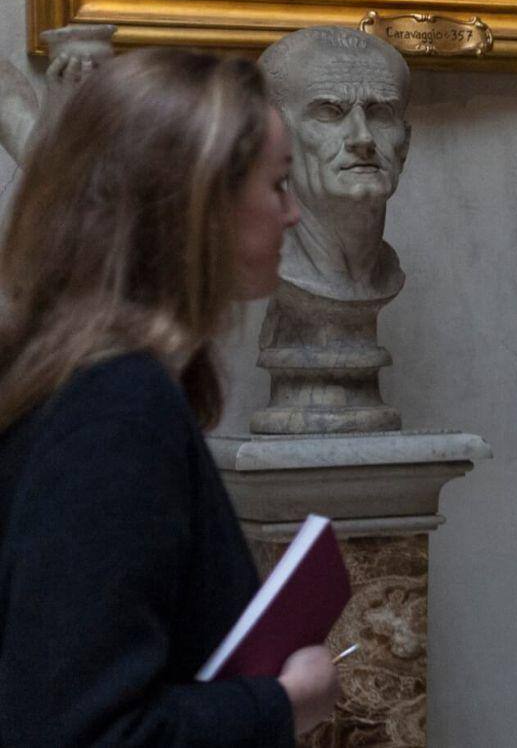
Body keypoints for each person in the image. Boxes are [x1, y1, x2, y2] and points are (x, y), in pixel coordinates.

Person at [0, 49, 338, 742]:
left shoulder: (67, 378)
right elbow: (82, 732)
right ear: (201, 205)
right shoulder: (116, 406)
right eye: (277, 184)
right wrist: (283, 702)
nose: (294, 213)